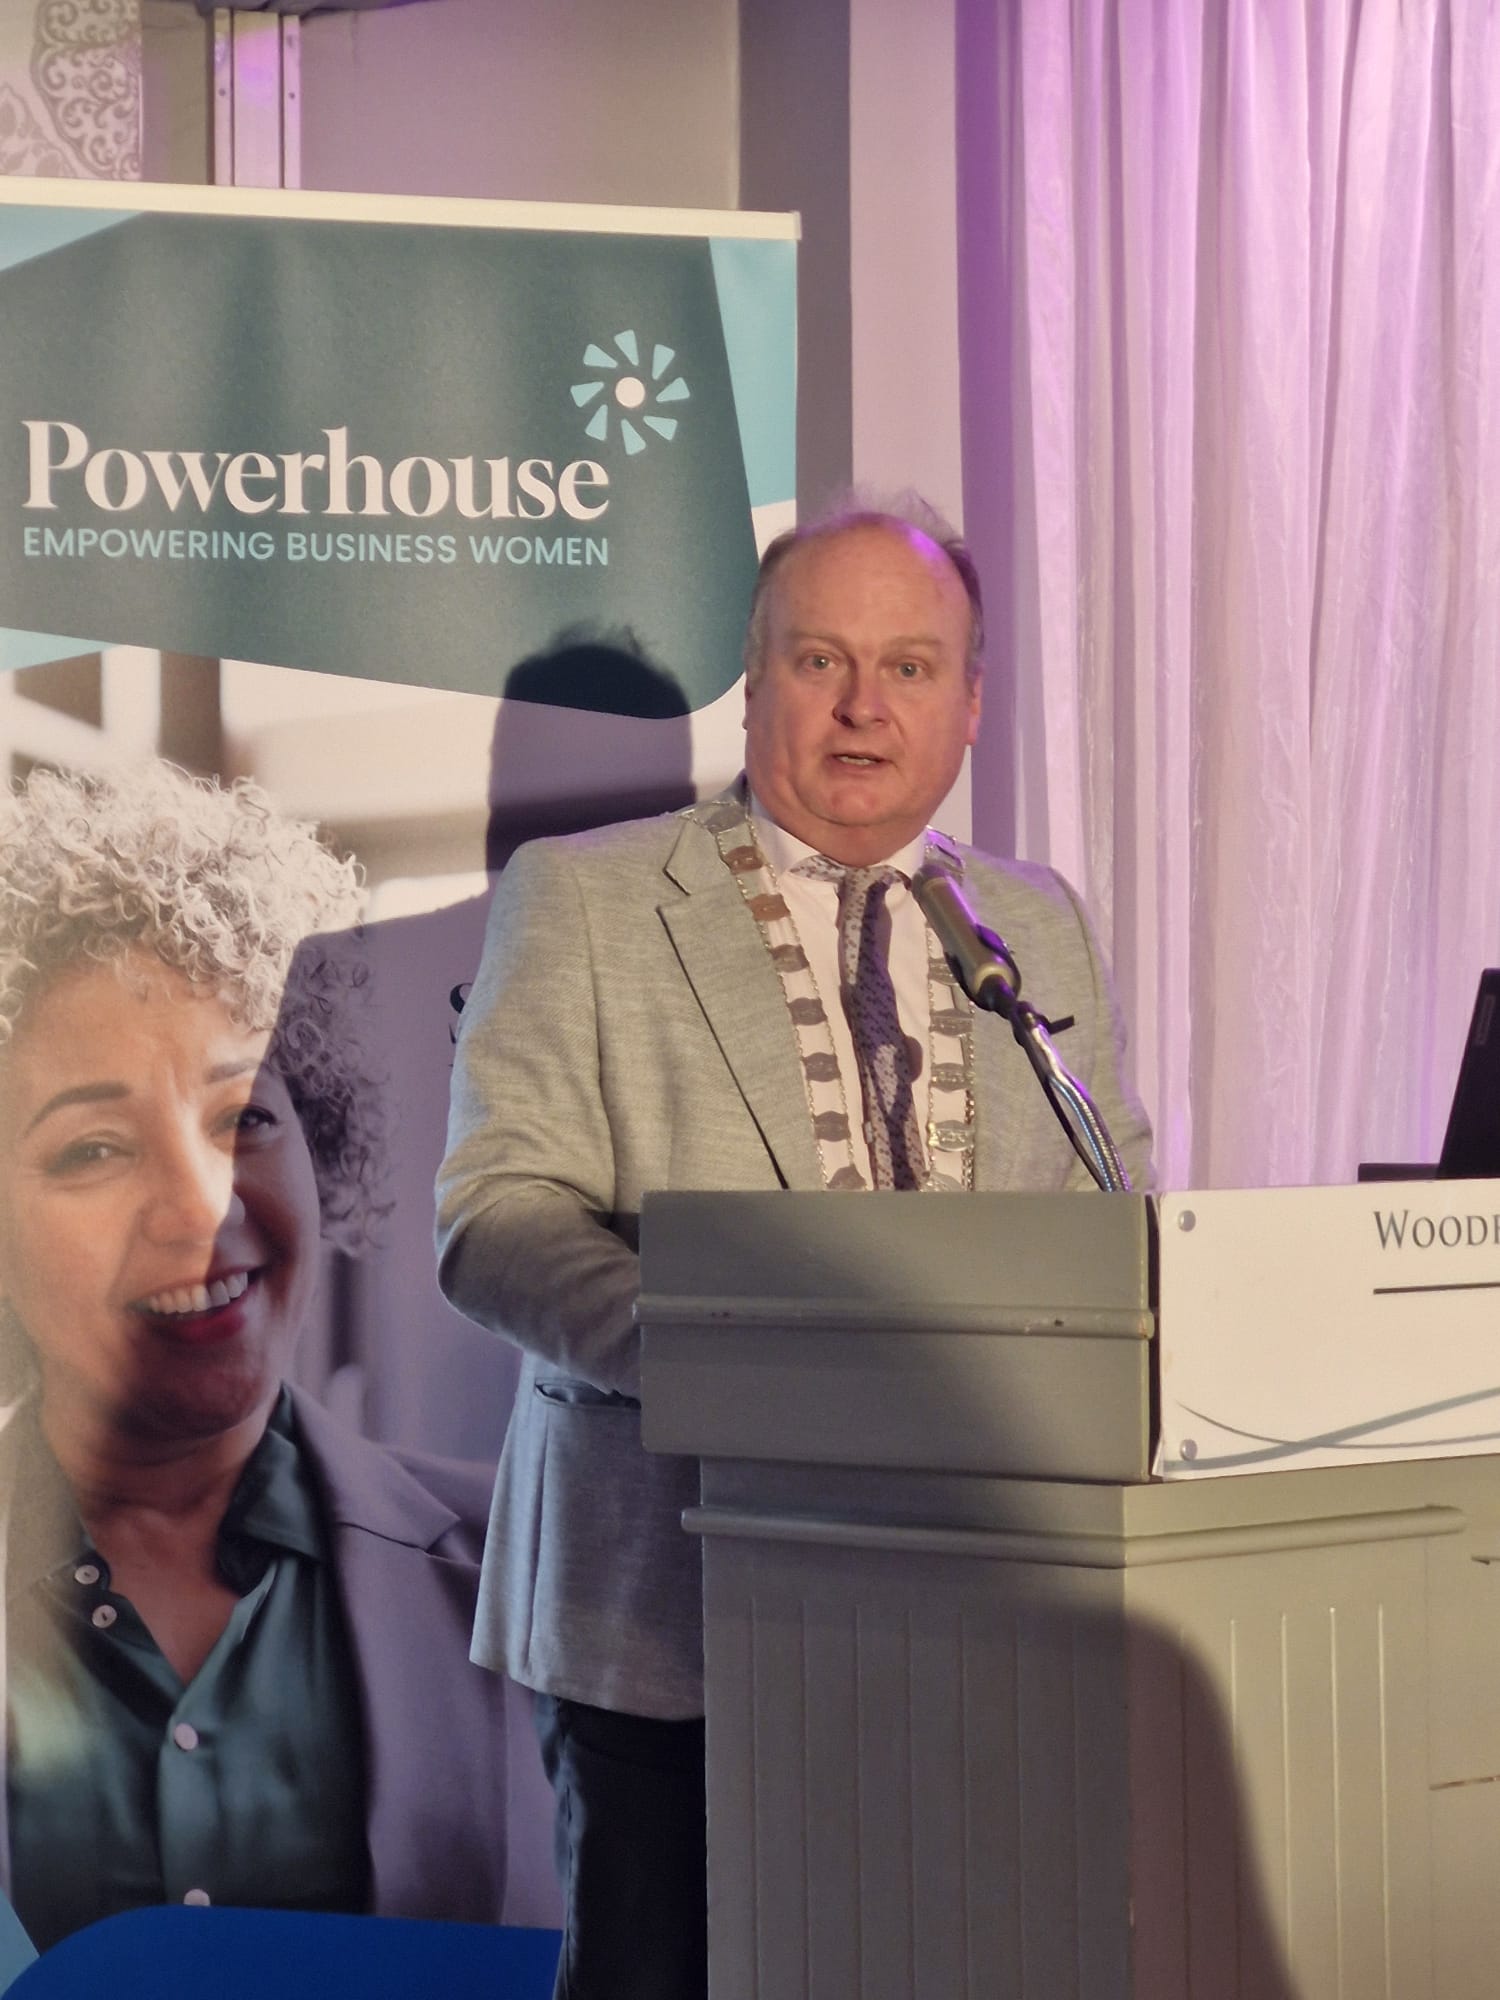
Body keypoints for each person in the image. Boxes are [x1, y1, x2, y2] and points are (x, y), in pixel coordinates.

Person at [436, 499, 1154, 1999]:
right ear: (755, 683)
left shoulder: (1032, 924)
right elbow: (495, 1216)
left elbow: (1119, 1208)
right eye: (821, 659)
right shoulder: (587, 896)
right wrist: (734, 1364)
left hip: (983, 1609)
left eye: (910, 665)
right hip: (669, 1616)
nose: (863, 705)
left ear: (971, 702)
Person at [0, 760, 509, 1949]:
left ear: (321, 1138)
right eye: (93, 1148)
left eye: (245, 1117)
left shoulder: (525, 1575)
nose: (201, 1203)